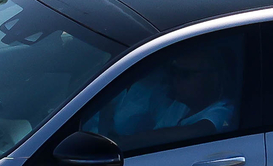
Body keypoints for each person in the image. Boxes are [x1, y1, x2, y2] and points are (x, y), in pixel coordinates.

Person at [102, 41, 238, 142]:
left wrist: (127, 142)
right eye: (174, 72)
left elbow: (197, 131)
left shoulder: (222, 110)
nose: (175, 79)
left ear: (213, 77)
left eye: (185, 74)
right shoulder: (180, 103)